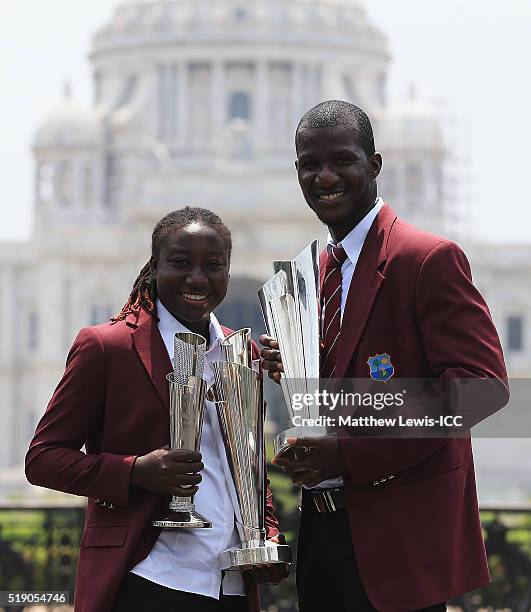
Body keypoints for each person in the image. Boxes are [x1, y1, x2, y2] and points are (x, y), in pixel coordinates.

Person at [260, 100, 509, 612]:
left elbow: (481, 385)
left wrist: (350, 452)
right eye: (310, 164)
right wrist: (299, 368)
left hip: (400, 541)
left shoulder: (426, 258)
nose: (325, 177)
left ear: (374, 165)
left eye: (342, 161)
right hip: (325, 533)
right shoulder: (318, 268)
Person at [26, 207, 288, 612]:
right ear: (155, 266)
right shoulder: (109, 346)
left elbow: (246, 463)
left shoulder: (241, 352)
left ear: (228, 273)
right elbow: (43, 459)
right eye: (181, 263)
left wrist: (266, 533)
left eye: (213, 265)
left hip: (230, 584)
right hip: (149, 576)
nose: (197, 279)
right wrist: (136, 471)